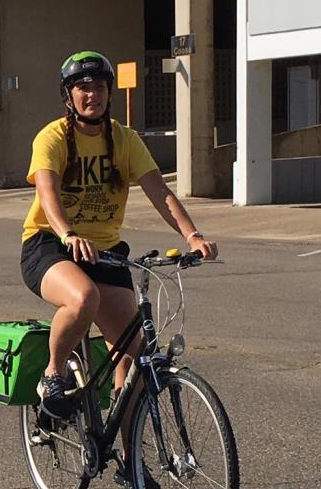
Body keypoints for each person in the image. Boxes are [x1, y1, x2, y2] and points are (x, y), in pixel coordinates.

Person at [22, 50, 218, 420]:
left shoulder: (125, 140)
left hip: (106, 253)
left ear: (110, 93)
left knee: (133, 357)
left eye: (99, 87)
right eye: (82, 88)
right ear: (69, 95)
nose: (91, 95)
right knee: (83, 298)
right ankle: (53, 374)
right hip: (49, 246)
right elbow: (47, 194)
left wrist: (192, 235)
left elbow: (160, 191)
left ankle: (132, 467)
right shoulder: (53, 138)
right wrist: (67, 233)